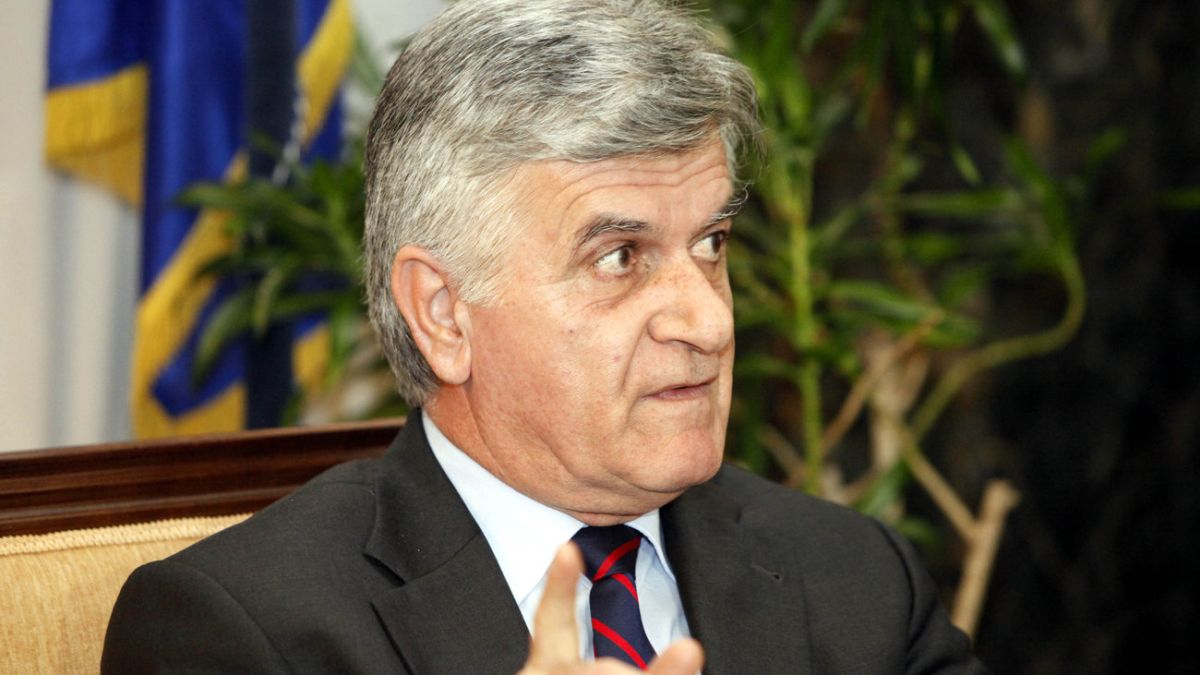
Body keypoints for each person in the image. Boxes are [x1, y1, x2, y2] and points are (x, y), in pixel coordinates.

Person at [101, 0, 986, 673]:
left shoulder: (855, 580)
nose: (709, 321)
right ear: (442, 313)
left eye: (711, 244)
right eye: (620, 257)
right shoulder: (244, 633)